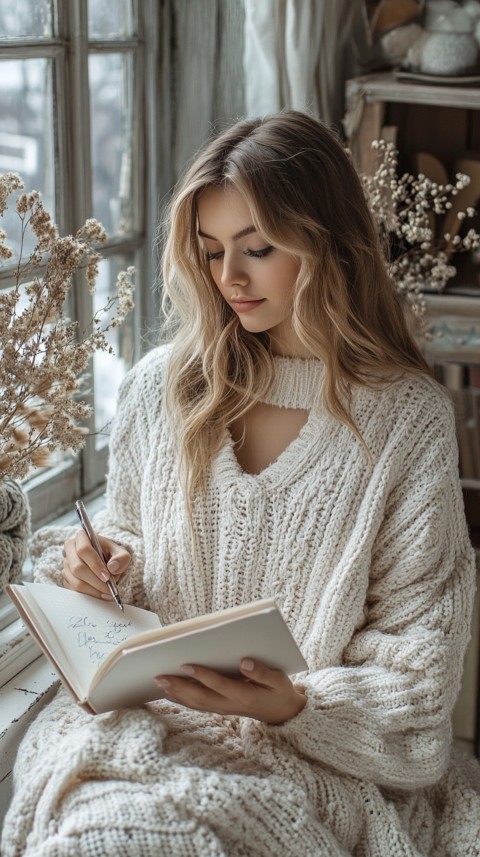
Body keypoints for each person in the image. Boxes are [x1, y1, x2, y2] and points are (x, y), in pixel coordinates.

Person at [2, 110, 480, 857]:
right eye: (211, 249)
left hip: (304, 757)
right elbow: (127, 536)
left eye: (257, 249)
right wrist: (94, 567)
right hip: (137, 728)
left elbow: (419, 672)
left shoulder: (405, 420)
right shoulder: (158, 388)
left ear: (330, 247)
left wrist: (297, 705)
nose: (229, 277)